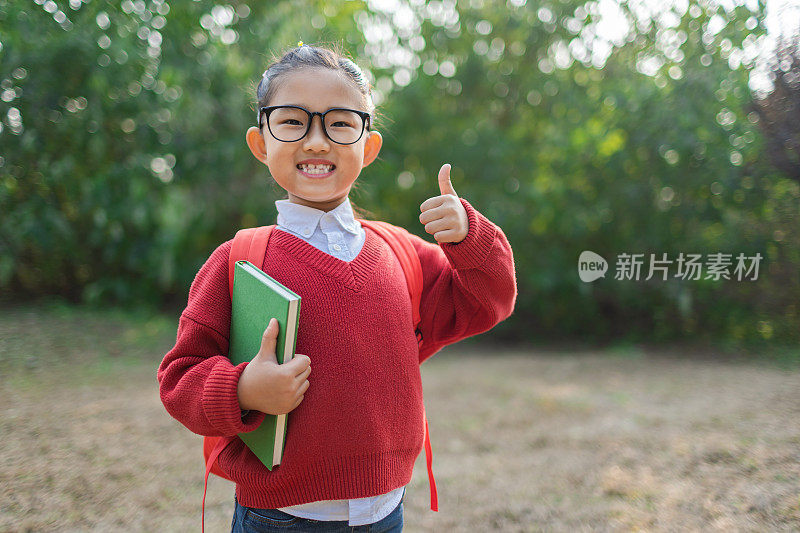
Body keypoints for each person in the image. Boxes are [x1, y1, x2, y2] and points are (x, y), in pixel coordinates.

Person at [157, 43, 517, 532]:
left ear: (367, 148)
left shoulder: (400, 252)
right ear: (260, 142)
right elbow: (180, 379)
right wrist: (244, 388)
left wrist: (472, 236)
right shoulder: (238, 261)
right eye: (291, 121)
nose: (317, 141)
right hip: (278, 517)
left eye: (341, 123)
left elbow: (488, 302)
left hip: (386, 511)